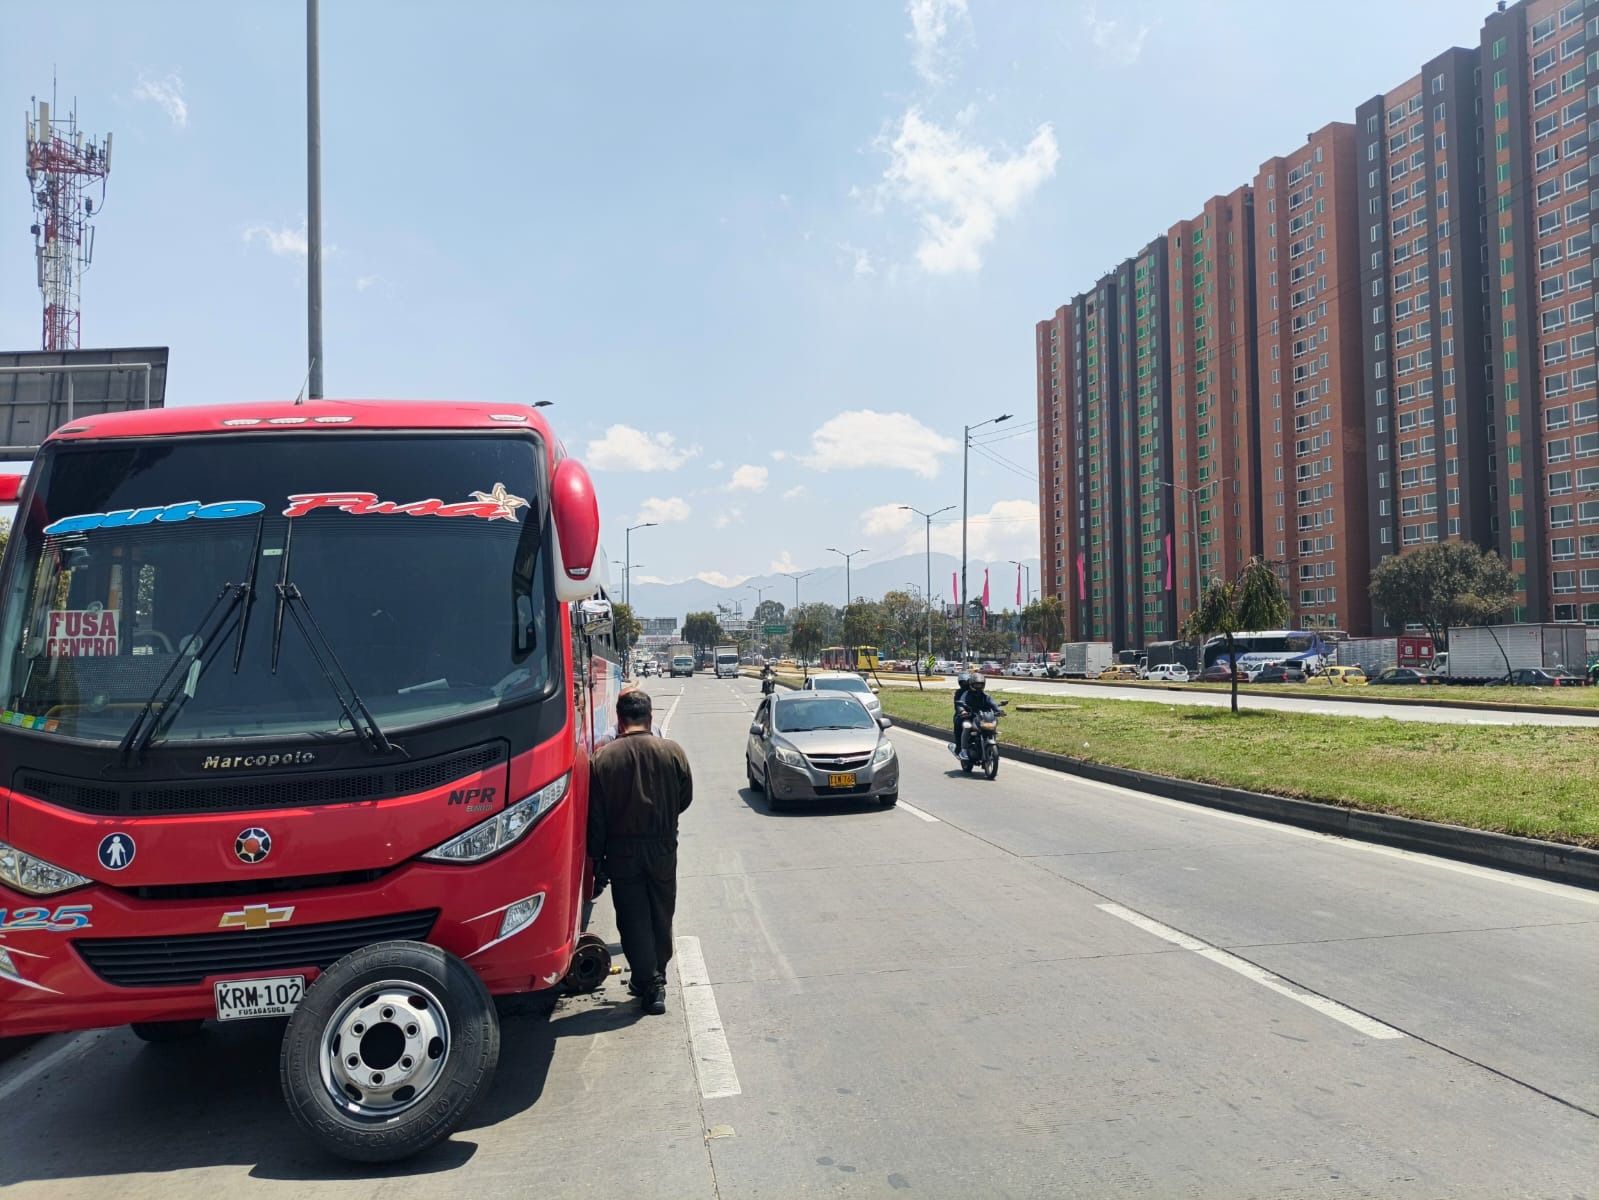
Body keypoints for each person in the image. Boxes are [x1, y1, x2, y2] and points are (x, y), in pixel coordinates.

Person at [587, 688, 693, 1015]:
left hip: (622, 850)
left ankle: (649, 981)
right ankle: (655, 976)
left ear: (619, 720)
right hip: (662, 846)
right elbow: (685, 798)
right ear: (650, 717)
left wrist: (597, 860)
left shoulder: (603, 759)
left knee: (633, 917)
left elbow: (597, 818)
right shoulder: (672, 751)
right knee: (662, 912)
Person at [955, 672, 1001, 760]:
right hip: (970, 717)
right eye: (976, 684)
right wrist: (963, 711)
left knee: (993, 726)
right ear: (972, 684)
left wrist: (998, 711)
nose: (978, 686)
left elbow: (992, 703)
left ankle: (991, 746)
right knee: (967, 726)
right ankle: (963, 750)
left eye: (980, 684)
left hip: (982, 717)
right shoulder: (966, 694)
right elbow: (960, 704)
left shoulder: (985, 695)